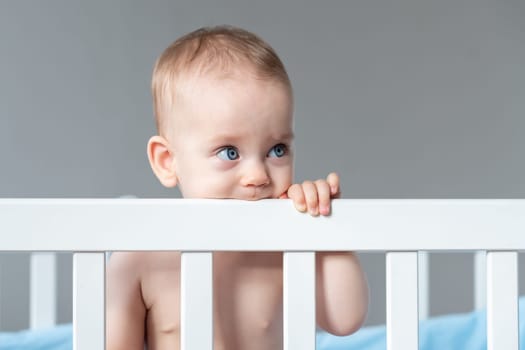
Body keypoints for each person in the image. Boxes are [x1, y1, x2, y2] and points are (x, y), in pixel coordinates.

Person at [106, 25, 369, 350]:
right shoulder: (138, 255)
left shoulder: (290, 239)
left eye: (277, 150)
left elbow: (345, 320)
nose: (258, 175)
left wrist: (325, 228)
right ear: (167, 161)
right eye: (229, 152)